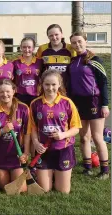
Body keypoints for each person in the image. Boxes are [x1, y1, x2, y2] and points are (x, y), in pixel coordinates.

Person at [29, 69, 81, 193]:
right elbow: (32, 128)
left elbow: (76, 128)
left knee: (63, 191)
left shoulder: (67, 103)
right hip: (44, 150)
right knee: (45, 189)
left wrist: (63, 135)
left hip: (63, 148)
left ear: (59, 85)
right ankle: (46, 173)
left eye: (53, 84)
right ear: (41, 84)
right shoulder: (35, 104)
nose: (50, 88)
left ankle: (57, 175)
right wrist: (36, 143)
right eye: (47, 84)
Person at [69, 32, 110, 179]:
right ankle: (87, 168)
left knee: (97, 137)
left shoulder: (95, 60)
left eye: (79, 41)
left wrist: (105, 104)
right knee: (84, 137)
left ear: (85, 41)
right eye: (74, 43)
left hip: (94, 101)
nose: (77, 45)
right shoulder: (73, 61)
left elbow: (103, 82)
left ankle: (105, 170)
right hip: (78, 102)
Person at [0, 79, 30, 191]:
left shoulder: (23, 108)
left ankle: (29, 173)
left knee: (20, 190)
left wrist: (26, 153)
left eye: (8, 91)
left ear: (14, 91)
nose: (5, 94)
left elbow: (27, 133)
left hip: (17, 156)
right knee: (5, 188)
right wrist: (2, 131)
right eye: (1, 92)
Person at [36, 24, 76, 90]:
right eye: (51, 35)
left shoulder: (71, 48)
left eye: (56, 34)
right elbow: (37, 68)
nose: (54, 38)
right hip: (49, 89)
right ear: (48, 37)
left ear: (62, 34)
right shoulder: (42, 49)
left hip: (67, 88)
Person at [13, 37, 43, 106]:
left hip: (36, 95)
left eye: (29, 47)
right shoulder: (15, 63)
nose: (27, 50)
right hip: (20, 96)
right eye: (24, 47)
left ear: (33, 48)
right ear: (20, 47)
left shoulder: (40, 62)